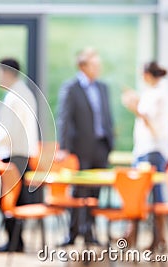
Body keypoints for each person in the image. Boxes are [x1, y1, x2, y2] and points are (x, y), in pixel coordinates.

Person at [56, 47, 114, 246]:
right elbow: (64, 118)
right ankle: (73, 233)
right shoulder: (71, 88)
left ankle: (90, 233)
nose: (98, 68)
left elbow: (106, 116)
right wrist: (63, 147)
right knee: (79, 193)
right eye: (94, 64)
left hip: (101, 147)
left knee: (95, 193)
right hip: (80, 148)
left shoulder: (102, 87)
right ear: (83, 66)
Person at [0, 58, 41, 252]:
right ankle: (16, 242)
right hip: (23, 154)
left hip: (13, 155)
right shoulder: (25, 92)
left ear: (5, 73)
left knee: (9, 201)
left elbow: (6, 133)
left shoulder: (13, 96)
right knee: (17, 200)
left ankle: (14, 242)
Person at [122, 61, 168, 250]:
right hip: (148, 150)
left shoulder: (158, 94)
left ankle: (151, 238)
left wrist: (134, 106)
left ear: (147, 75)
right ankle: (152, 237)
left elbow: (149, 121)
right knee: (147, 196)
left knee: (148, 197)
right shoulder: (157, 92)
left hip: (151, 151)